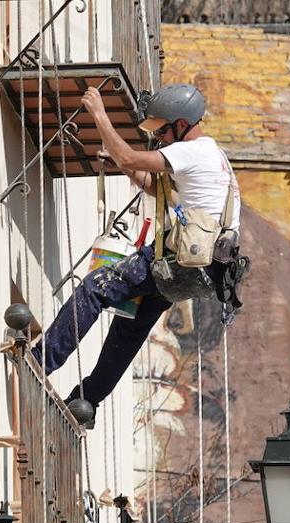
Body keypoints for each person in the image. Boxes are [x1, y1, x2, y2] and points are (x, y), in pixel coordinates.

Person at [36, 83, 242, 425]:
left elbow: (131, 156)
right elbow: (150, 183)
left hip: (176, 258)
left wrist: (100, 116)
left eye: (161, 130)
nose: (158, 137)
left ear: (181, 125)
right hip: (202, 269)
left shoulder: (194, 151)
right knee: (130, 328)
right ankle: (86, 402)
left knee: (95, 288)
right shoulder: (214, 158)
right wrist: (121, 162)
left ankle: (42, 360)